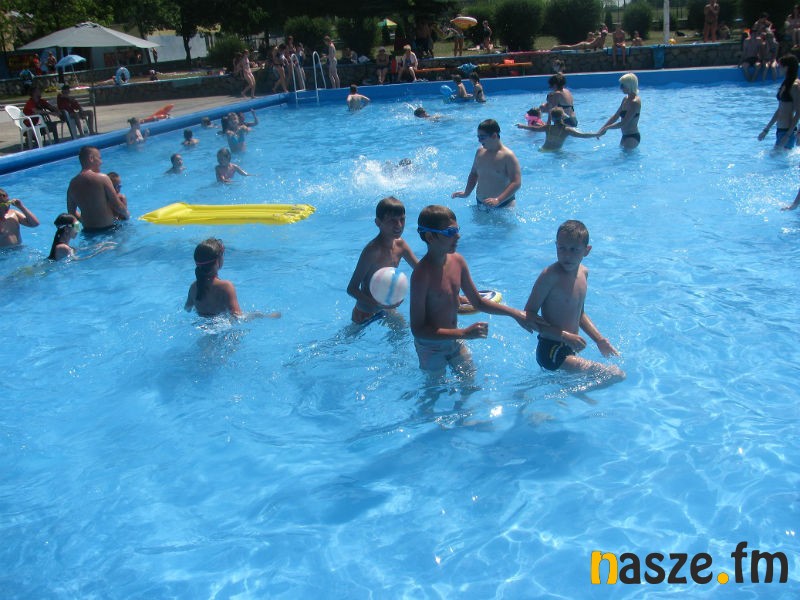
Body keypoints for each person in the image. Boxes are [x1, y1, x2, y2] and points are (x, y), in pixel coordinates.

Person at [409, 205, 536, 374]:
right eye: (450, 232)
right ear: (430, 237)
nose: (458, 236)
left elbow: (478, 302)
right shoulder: (421, 276)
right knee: (435, 386)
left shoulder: (458, 262)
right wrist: (464, 333)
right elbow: (418, 329)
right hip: (430, 347)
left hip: (455, 339)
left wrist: (515, 314)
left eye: (457, 230)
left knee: (470, 379)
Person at [523, 219, 624, 386]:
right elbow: (528, 316)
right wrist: (565, 336)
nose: (567, 255)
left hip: (570, 347)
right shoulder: (549, 276)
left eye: (574, 249)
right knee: (616, 375)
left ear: (586, 251)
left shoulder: (583, 274)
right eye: (561, 248)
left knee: (569, 393)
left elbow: (579, 313)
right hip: (550, 350)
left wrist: (599, 340)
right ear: (556, 246)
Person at [347, 197, 419, 324]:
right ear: (378, 222)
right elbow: (352, 289)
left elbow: (421, 270)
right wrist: (378, 304)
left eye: (402, 219)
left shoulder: (401, 245)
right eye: (392, 221)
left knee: (403, 332)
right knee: (349, 336)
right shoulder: (371, 252)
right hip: (365, 312)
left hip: (388, 309)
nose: (399, 225)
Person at [452, 119, 521, 208]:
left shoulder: (507, 156)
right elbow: (474, 174)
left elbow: (516, 182)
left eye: (482, 137)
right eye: (478, 137)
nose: (479, 140)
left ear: (494, 136)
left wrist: (498, 200)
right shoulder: (480, 152)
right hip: (480, 203)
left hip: (503, 205)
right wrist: (466, 193)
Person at [66, 146, 129, 231]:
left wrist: (81, 225)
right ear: (91, 158)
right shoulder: (103, 178)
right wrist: (127, 215)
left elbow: (71, 213)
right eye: (99, 158)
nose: (101, 162)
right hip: (109, 230)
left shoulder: (72, 184)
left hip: (88, 231)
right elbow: (117, 205)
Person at [185, 238, 242, 318]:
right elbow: (237, 316)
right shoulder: (226, 287)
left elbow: (187, 308)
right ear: (218, 261)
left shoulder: (193, 287)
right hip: (222, 324)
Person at [759, 54, 800, 149]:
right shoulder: (786, 83)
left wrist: (788, 135)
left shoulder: (795, 86)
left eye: (780, 66)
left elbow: (798, 112)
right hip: (781, 130)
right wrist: (766, 129)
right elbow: (780, 109)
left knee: (775, 156)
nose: (778, 68)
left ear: (787, 68)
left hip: (787, 131)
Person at [516, 107, 600, 151]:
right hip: (555, 151)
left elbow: (534, 129)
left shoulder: (547, 127)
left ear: (552, 118)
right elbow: (582, 135)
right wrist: (596, 134)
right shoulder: (567, 130)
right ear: (563, 117)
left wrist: (522, 126)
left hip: (543, 150)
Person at [598, 72, 641, 149]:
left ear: (629, 85)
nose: (620, 88)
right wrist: (602, 129)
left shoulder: (635, 102)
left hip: (632, 136)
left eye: (622, 85)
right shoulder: (625, 99)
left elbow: (623, 123)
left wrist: (607, 128)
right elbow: (616, 116)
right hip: (624, 136)